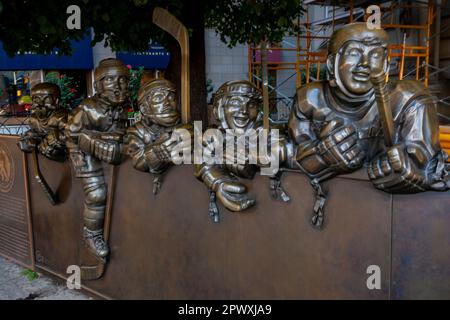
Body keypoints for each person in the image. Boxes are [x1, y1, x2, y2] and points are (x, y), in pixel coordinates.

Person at [288, 23, 449, 227]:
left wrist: (413, 169)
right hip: (327, 216)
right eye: (355, 52)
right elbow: (290, 155)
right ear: (331, 64)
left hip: (391, 220)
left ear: (387, 63)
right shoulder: (309, 100)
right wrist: (321, 156)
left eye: (375, 54)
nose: (365, 63)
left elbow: (428, 161)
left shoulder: (408, 99)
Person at [195, 80, 293, 222]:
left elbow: (282, 149)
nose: (243, 110)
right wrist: (217, 182)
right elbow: (202, 159)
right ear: (219, 109)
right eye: (235, 103)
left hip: (275, 216)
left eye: (251, 105)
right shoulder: (214, 136)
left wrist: (249, 156)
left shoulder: (264, 132)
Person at [65, 58, 130, 258]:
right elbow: (71, 133)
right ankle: (91, 235)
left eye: (122, 79)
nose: (118, 85)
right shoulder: (88, 108)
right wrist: (94, 142)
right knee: (97, 194)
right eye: (110, 80)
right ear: (98, 85)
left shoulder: (121, 105)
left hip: (108, 151)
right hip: (82, 153)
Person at [123, 78, 192, 194]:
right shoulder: (136, 132)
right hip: (142, 194)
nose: (167, 103)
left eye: (171, 97)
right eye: (158, 98)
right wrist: (159, 150)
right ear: (144, 108)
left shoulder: (184, 128)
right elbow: (138, 161)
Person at [18, 82, 67, 162]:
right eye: (36, 99)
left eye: (47, 99)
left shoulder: (62, 118)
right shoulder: (33, 119)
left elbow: (74, 136)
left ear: (56, 101)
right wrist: (30, 138)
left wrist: (59, 137)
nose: (40, 103)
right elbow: (36, 134)